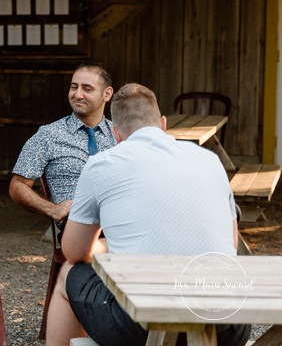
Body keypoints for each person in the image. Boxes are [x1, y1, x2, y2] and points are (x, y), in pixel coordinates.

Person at [45, 83, 250, 346]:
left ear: (116, 134)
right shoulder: (210, 160)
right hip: (229, 324)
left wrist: (108, 245)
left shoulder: (101, 165)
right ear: (163, 124)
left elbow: (73, 251)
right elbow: (230, 244)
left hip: (142, 328)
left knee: (69, 273)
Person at [9, 62, 115, 226]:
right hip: (78, 225)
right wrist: (52, 209)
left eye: (87, 89)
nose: (77, 94)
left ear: (106, 94)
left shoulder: (120, 134)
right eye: (74, 87)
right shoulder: (48, 135)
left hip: (121, 220)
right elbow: (17, 186)